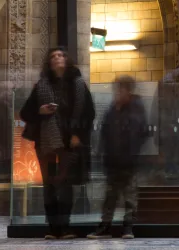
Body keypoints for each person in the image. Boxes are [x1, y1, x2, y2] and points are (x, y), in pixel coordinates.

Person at [20, 48, 95, 241]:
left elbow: (88, 112)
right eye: (53, 56)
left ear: (67, 60)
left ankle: (66, 227)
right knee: (49, 185)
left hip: (68, 141)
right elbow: (25, 113)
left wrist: (78, 134)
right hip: (46, 142)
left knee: (65, 183)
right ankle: (53, 228)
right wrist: (41, 111)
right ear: (49, 62)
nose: (57, 58)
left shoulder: (77, 84)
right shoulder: (42, 85)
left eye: (61, 55)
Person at [88, 75, 148, 240]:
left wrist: (130, 154)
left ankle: (128, 228)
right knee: (110, 197)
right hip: (113, 161)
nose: (117, 92)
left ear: (128, 90)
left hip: (129, 161)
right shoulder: (112, 109)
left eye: (121, 89)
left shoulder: (136, 107)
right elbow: (105, 133)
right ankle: (105, 226)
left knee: (129, 196)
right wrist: (102, 153)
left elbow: (139, 132)